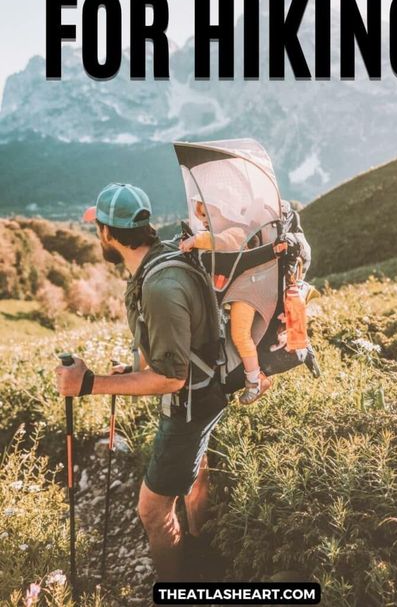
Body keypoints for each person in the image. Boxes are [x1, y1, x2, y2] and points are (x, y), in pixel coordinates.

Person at [54, 182, 237, 581]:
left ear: (105, 232)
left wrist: (89, 384)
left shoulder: (159, 285)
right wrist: (133, 370)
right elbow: (176, 345)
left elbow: (172, 378)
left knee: (152, 511)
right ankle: (200, 548)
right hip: (207, 394)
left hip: (188, 407)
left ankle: (177, 588)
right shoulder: (165, 256)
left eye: (97, 227)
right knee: (196, 471)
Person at [180, 198, 272, 404]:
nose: (203, 221)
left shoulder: (238, 231)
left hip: (249, 290)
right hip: (239, 289)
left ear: (226, 211)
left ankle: (256, 380)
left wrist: (197, 240)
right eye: (201, 216)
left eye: (208, 216)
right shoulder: (228, 230)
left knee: (240, 334)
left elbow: (221, 242)